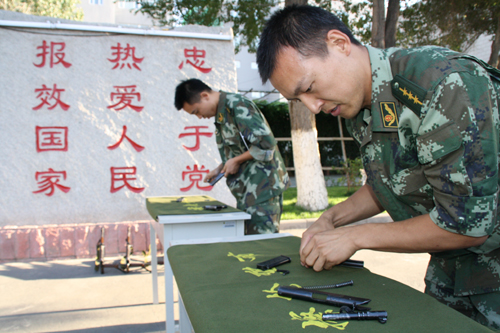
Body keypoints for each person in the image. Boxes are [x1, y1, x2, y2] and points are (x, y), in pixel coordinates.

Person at [256, 4, 500, 330]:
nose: (312, 106)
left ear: (339, 44)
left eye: (310, 88)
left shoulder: (441, 84)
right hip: (452, 270)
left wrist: (355, 237)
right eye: (298, 101)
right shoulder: (359, 102)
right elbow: (388, 182)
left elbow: (466, 223)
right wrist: (330, 219)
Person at [174, 79, 289, 235]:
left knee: (262, 246)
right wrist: (220, 169)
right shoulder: (223, 112)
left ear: (205, 95)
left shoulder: (237, 105)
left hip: (263, 189)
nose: (200, 117)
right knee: (250, 246)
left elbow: (266, 144)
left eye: (197, 111)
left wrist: (235, 161)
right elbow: (240, 150)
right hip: (248, 192)